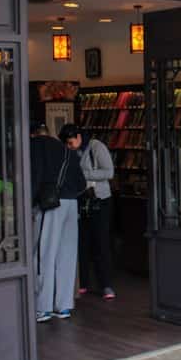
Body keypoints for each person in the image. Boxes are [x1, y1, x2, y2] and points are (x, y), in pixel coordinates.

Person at [30, 120, 87, 322]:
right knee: (67, 255)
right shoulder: (66, 150)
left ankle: (42, 307)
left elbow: (35, 177)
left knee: (44, 255)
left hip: (51, 204)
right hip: (71, 204)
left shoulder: (36, 146)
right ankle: (63, 306)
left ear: (32, 134)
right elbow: (82, 183)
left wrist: (30, 203)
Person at [60, 124, 117, 301]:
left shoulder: (96, 147)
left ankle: (106, 284)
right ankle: (82, 282)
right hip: (80, 200)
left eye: (71, 143)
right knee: (82, 242)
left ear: (79, 137)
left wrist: (84, 174)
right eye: (66, 144)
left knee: (100, 242)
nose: (69, 146)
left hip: (99, 200)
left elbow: (109, 172)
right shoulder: (70, 151)